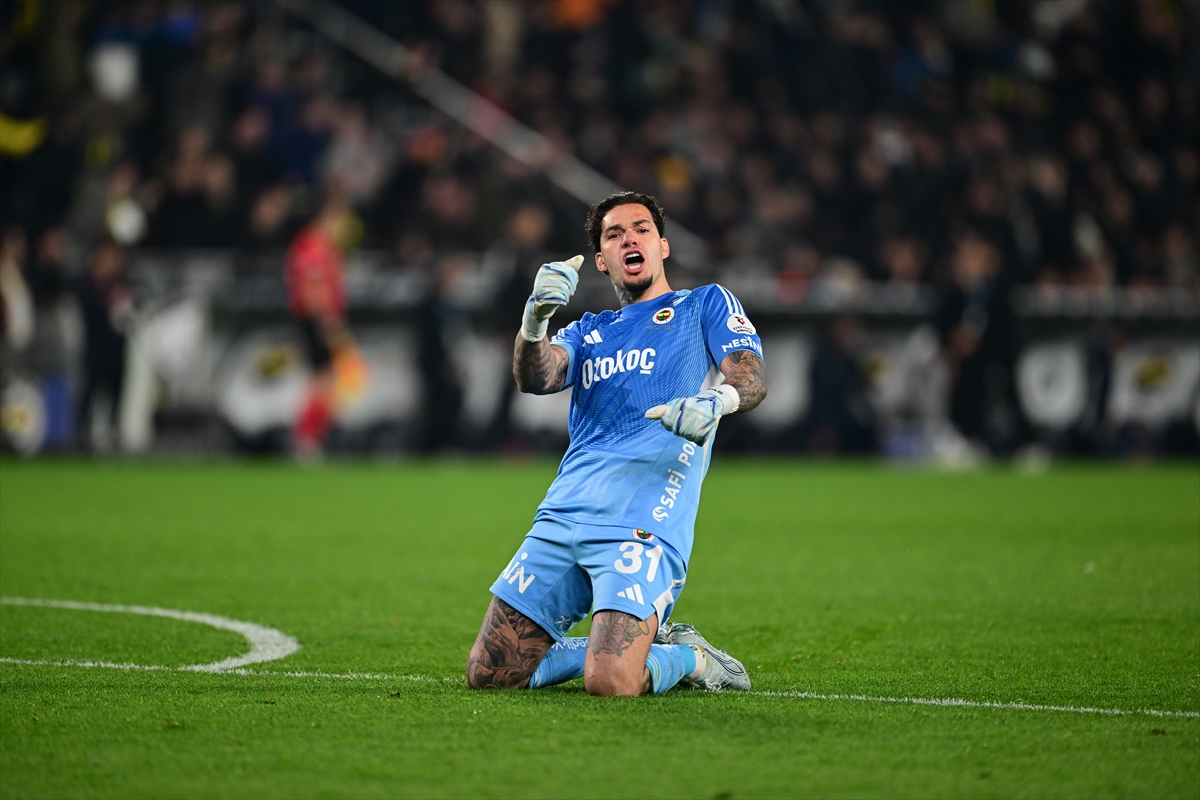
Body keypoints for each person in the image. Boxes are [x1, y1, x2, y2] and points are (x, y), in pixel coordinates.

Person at [466, 191, 767, 696]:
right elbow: (535, 377)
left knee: (610, 681)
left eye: (642, 229)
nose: (630, 238)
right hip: (565, 513)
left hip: (644, 521)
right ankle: (617, 647)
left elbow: (751, 376)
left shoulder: (704, 304)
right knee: (489, 674)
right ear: (602, 260)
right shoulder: (590, 331)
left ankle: (692, 658)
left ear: (663, 246)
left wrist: (719, 401)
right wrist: (534, 320)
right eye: (614, 234)